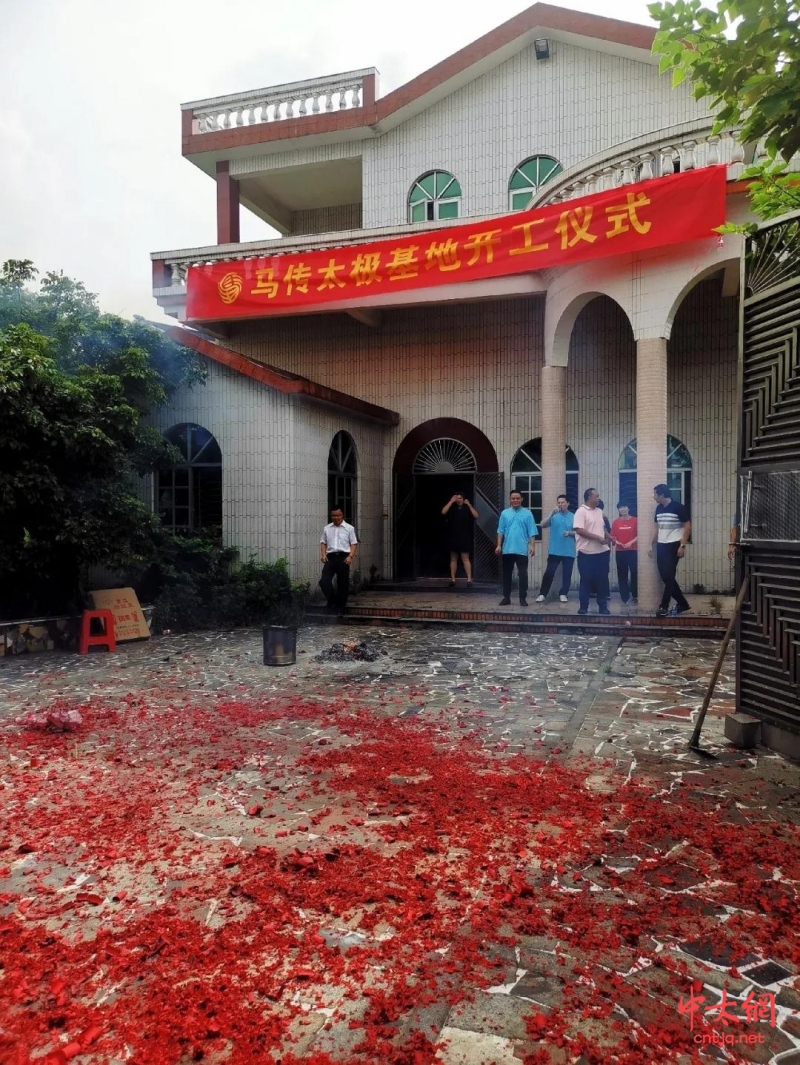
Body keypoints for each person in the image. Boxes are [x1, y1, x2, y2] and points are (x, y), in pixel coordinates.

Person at [648, 484, 691, 616]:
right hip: (662, 545)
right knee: (666, 577)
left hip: (674, 545)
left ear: (662, 495)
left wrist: (682, 545)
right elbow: (656, 528)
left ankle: (664, 606)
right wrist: (651, 544)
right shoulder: (659, 508)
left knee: (669, 576)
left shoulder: (678, 507)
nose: (653, 497)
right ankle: (683, 604)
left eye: (655, 494)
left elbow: (687, 526)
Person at [573, 488, 612, 615]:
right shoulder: (581, 511)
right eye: (597, 496)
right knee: (586, 579)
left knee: (602, 580)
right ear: (589, 498)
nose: (598, 498)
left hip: (602, 552)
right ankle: (583, 606)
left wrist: (608, 537)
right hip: (586, 552)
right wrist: (597, 538)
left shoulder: (599, 511)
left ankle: (603, 607)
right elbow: (579, 530)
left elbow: (602, 527)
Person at [495, 490, 537, 607]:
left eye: (517, 498)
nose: (515, 500)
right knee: (507, 574)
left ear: (521, 499)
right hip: (507, 549)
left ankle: (522, 598)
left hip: (522, 550)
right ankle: (506, 597)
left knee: (523, 574)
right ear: (510, 499)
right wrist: (498, 545)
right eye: (513, 498)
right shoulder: (504, 513)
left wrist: (532, 546)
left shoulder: (527, 514)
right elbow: (500, 531)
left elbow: (532, 531)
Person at [535, 494, 575, 603]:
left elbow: (580, 533)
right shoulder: (553, 516)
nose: (560, 504)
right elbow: (542, 525)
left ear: (568, 503)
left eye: (563, 502)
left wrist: (570, 533)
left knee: (567, 574)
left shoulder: (573, 516)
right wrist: (551, 514)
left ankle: (563, 593)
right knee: (549, 573)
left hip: (569, 550)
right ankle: (542, 594)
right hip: (554, 550)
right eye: (559, 502)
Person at [319, 507, 358, 613]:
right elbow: (323, 542)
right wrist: (323, 554)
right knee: (324, 581)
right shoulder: (327, 528)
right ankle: (331, 601)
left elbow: (354, 544)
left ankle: (340, 607)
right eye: (334, 516)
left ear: (342, 515)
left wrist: (350, 556)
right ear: (331, 516)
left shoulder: (349, 528)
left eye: (338, 515)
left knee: (343, 583)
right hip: (330, 557)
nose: (336, 518)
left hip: (343, 557)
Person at [441, 493, 479, 587]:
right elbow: (443, 512)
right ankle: (453, 580)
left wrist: (469, 505)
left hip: (464, 536)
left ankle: (469, 579)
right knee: (453, 559)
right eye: (457, 498)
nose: (459, 500)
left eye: (460, 498)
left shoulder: (467, 508)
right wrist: (451, 501)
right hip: (453, 536)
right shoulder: (452, 507)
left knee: (465, 558)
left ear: (464, 498)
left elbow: (476, 515)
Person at [611, 502, 638, 604]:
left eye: (625, 507)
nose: (623, 509)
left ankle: (635, 595)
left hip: (633, 551)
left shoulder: (635, 520)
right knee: (622, 574)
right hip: (620, 551)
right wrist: (619, 543)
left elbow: (639, 534)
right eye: (620, 508)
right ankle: (624, 597)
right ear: (618, 510)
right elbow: (613, 537)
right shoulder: (615, 522)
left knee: (635, 573)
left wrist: (631, 542)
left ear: (628, 508)